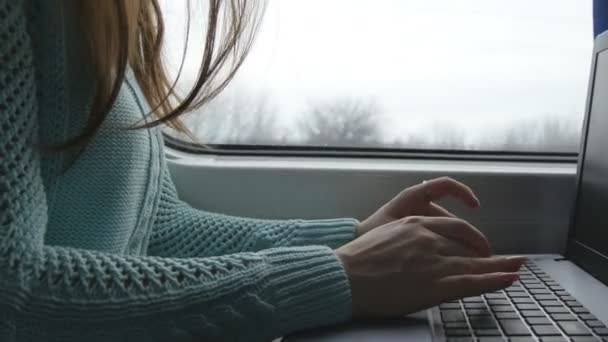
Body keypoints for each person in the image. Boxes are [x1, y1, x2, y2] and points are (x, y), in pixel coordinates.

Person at [0, 0, 526, 341]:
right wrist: (337, 276)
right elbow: (12, 292)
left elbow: (156, 231)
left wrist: (349, 239)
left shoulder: (108, 18)